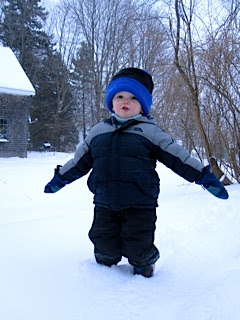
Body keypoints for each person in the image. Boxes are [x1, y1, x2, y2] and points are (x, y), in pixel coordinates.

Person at [44, 67, 228, 278]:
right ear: (111, 102)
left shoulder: (151, 132)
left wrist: (203, 176)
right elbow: (78, 162)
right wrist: (60, 178)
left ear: (142, 106)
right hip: (104, 201)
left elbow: (179, 158)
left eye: (133, 98)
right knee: (103, 241)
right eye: (120, 96)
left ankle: (144, 266)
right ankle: (103, 273)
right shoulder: (98, 132)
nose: (126, 101)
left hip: (140, 202)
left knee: (139, 243)